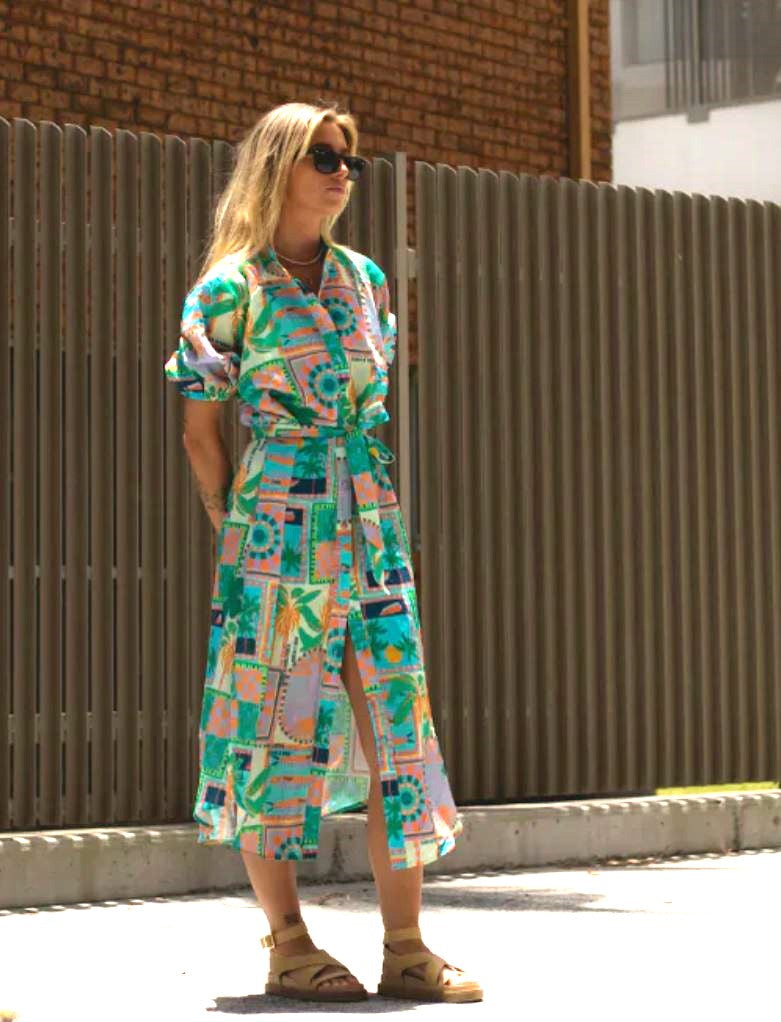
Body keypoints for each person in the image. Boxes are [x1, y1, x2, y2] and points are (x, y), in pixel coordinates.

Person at [163, 100, 482, 1004]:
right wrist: (239, 536)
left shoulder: (364, 279)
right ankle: (289, 943)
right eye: (325, 157)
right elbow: (200, 433)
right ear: (278, 165)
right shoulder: (230, 289)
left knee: (397, 730)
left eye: (350, 160)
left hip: (370, 521)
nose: (343, 173)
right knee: (275, 726)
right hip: (276, 528)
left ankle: (406, 947)